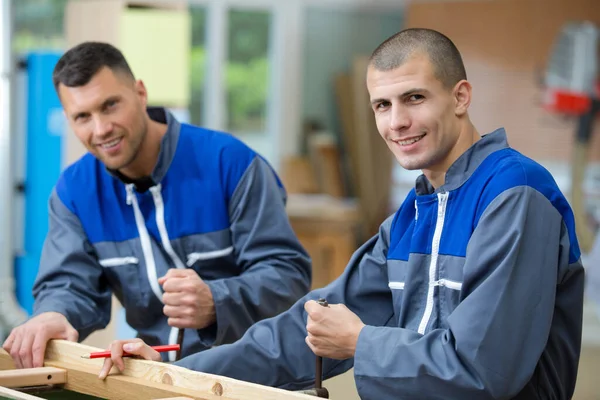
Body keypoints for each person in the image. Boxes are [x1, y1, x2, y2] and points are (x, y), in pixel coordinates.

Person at [98, 28, 585, 399]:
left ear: (460, 96)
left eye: (414, 98)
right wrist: (178, 371)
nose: (397, 122)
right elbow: (306, 328)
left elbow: (486, 370)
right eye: (382, 105)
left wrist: (362, 343)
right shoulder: (413, 216)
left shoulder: (514, 196)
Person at [2, 41, 312, 369]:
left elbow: (287, 275)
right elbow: (70, 284)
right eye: (82, 117)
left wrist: (217, 300)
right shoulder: (74, 192)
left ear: (140, 93)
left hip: (254, 372)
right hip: (156, 373)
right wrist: (54, 312)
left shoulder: (230, 164)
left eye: (110, 106)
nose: (101, 129)